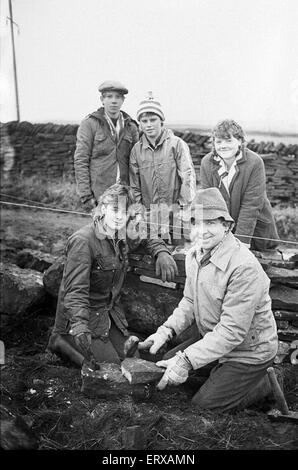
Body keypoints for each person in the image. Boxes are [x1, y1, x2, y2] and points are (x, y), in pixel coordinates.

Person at [138, 187, 278, 412]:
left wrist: (186, 360)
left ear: (227, 226)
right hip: (215, 339)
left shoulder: (244, 267)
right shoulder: (195, 254)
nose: (202, 231)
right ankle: (219, 378)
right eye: (196, 223)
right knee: (167, 362)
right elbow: (190, 301)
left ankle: (261, 385)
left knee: (202, 407)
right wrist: (165, 331)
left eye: (211, 223)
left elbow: (232, 331)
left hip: (248, 351)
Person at [48, 183, 178, 368]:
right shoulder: (83, 241)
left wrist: (161, 251)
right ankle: (60, 340)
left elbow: (147, 233)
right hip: (81, 316)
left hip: (107, 312)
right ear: (103, 208)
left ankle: (105, 341)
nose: (119, 216)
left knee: (132, 358)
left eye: (124, 212)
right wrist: (79, 327)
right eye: (115, 209)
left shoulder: (122, 233)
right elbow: (75, 291)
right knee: (111, 367)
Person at [199, 119, 279, 251]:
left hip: (255, 234)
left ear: (240, 141)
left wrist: (241, 241)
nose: (223, 146)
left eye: (228, 140)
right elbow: (211, 204)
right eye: (218, 141)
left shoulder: (254, 162)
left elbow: (251, 205)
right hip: (223, 233)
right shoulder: (207, 163)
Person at [129, 92, 196, 243]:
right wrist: (140, 211)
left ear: (161, 121)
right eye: (144, 121)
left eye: (153, 119)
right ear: (140, 123)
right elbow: (135, 186)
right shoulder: (136, 151)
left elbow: (188, 177)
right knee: (154, 255)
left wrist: (182, 207)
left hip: (177, 215)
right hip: (150, 217)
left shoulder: (177, 144)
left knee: (180, 253)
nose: (149, 124)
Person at [74, 80, 139, 211]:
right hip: (100, 194)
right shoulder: (90, 124)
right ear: (102, 99)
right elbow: (81, 160)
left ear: (123, 100)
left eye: (118, 97)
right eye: (109, 96)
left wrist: (137, 193)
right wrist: (86, 195)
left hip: (125, 194)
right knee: (102, 230)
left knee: (124, 230)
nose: (114, 101)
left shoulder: (130, 126)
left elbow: (138, 162)